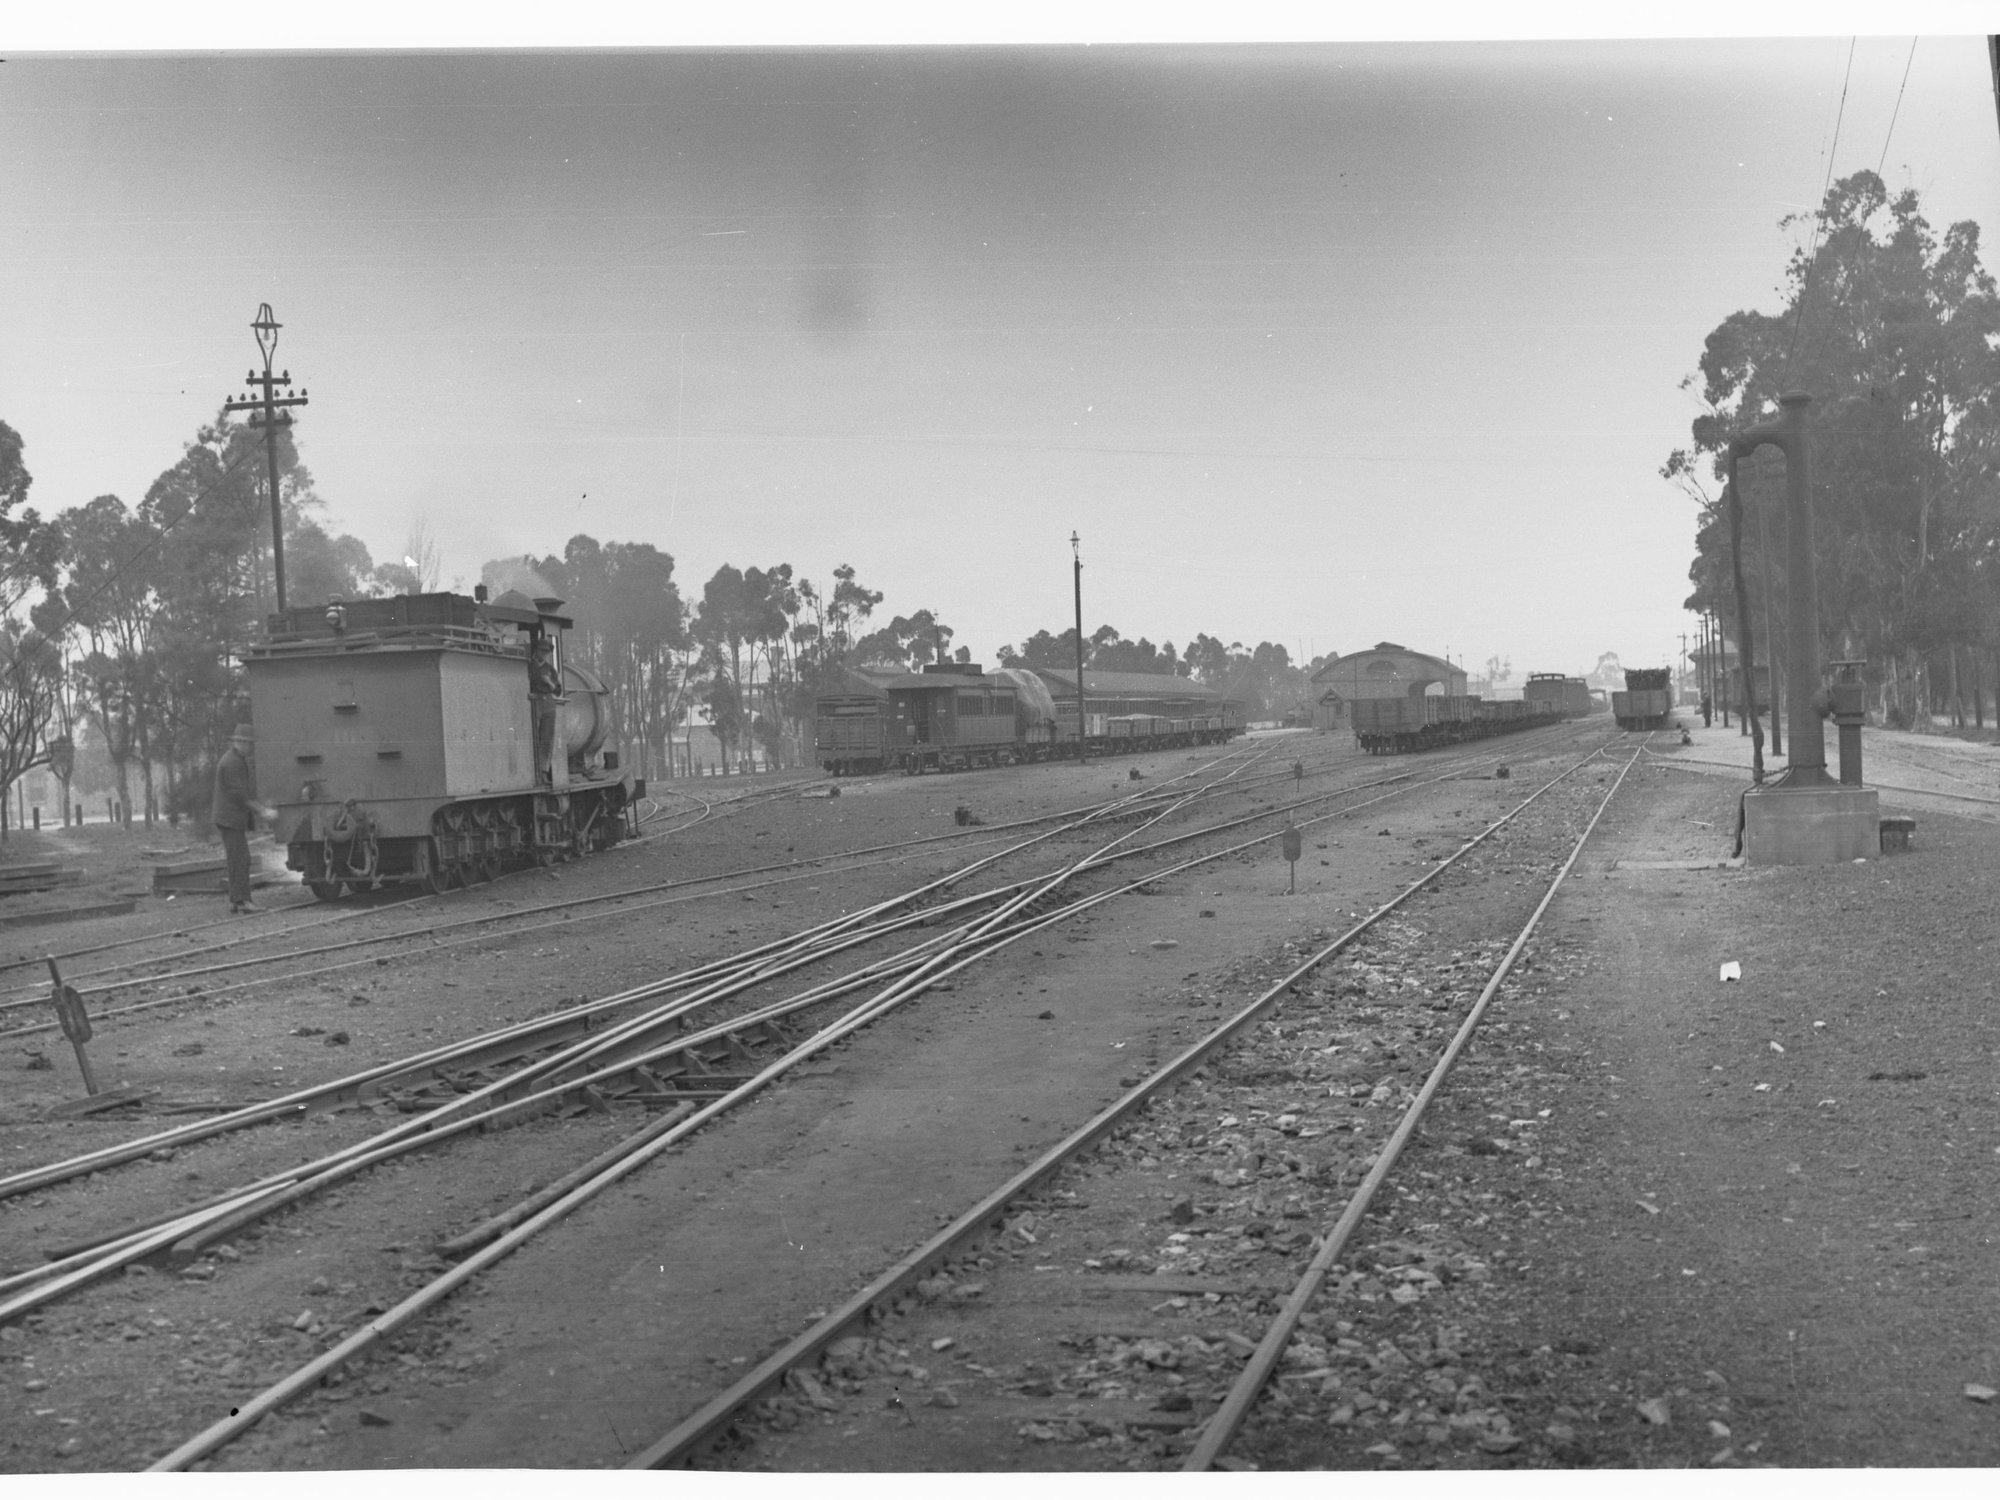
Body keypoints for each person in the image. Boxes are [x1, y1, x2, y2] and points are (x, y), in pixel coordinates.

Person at [211, 724, 271, 914]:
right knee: (240, 859)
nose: (251, 747)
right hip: (230, 819)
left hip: (228, 818)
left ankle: (236, 901)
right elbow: (239, 795)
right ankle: (244, 901)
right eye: (247, 743)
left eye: (250, 743)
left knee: (236, 859)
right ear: (238, 743)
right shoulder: (233, 763)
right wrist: (261, 810)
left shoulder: (235, 759)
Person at [529, 634, 561, 783]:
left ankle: (544, 771)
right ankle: (533, 772)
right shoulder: (529, 666)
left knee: (547, 739)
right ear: (536, 650)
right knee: (533, 737)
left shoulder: (551, 669)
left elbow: (558, 691)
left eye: (546, 652)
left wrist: (550, 683)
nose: (544, 654)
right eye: (541, 651)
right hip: (534, 702)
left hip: (548, 702)